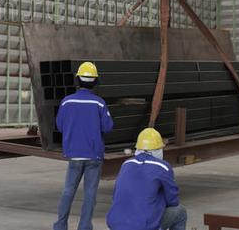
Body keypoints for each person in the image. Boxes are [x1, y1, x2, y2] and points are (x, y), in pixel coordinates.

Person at [54, 62, 113, 230]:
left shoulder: (66, 102)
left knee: (68, 191)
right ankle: (85, 226)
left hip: (74, 154)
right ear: (95, 82)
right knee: (89, 194)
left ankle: (60, 225)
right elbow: (107, 127)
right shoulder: (99, 103)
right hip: (94, 156)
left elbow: (59, 125)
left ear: (78, 80)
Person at [106, 128, 187, 230]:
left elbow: (116, 196)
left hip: (115, 224)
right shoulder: (162, 167)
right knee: (180, 212)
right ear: (158, 149)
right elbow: (173, 200)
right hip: (143, 226)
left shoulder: (126, 164)